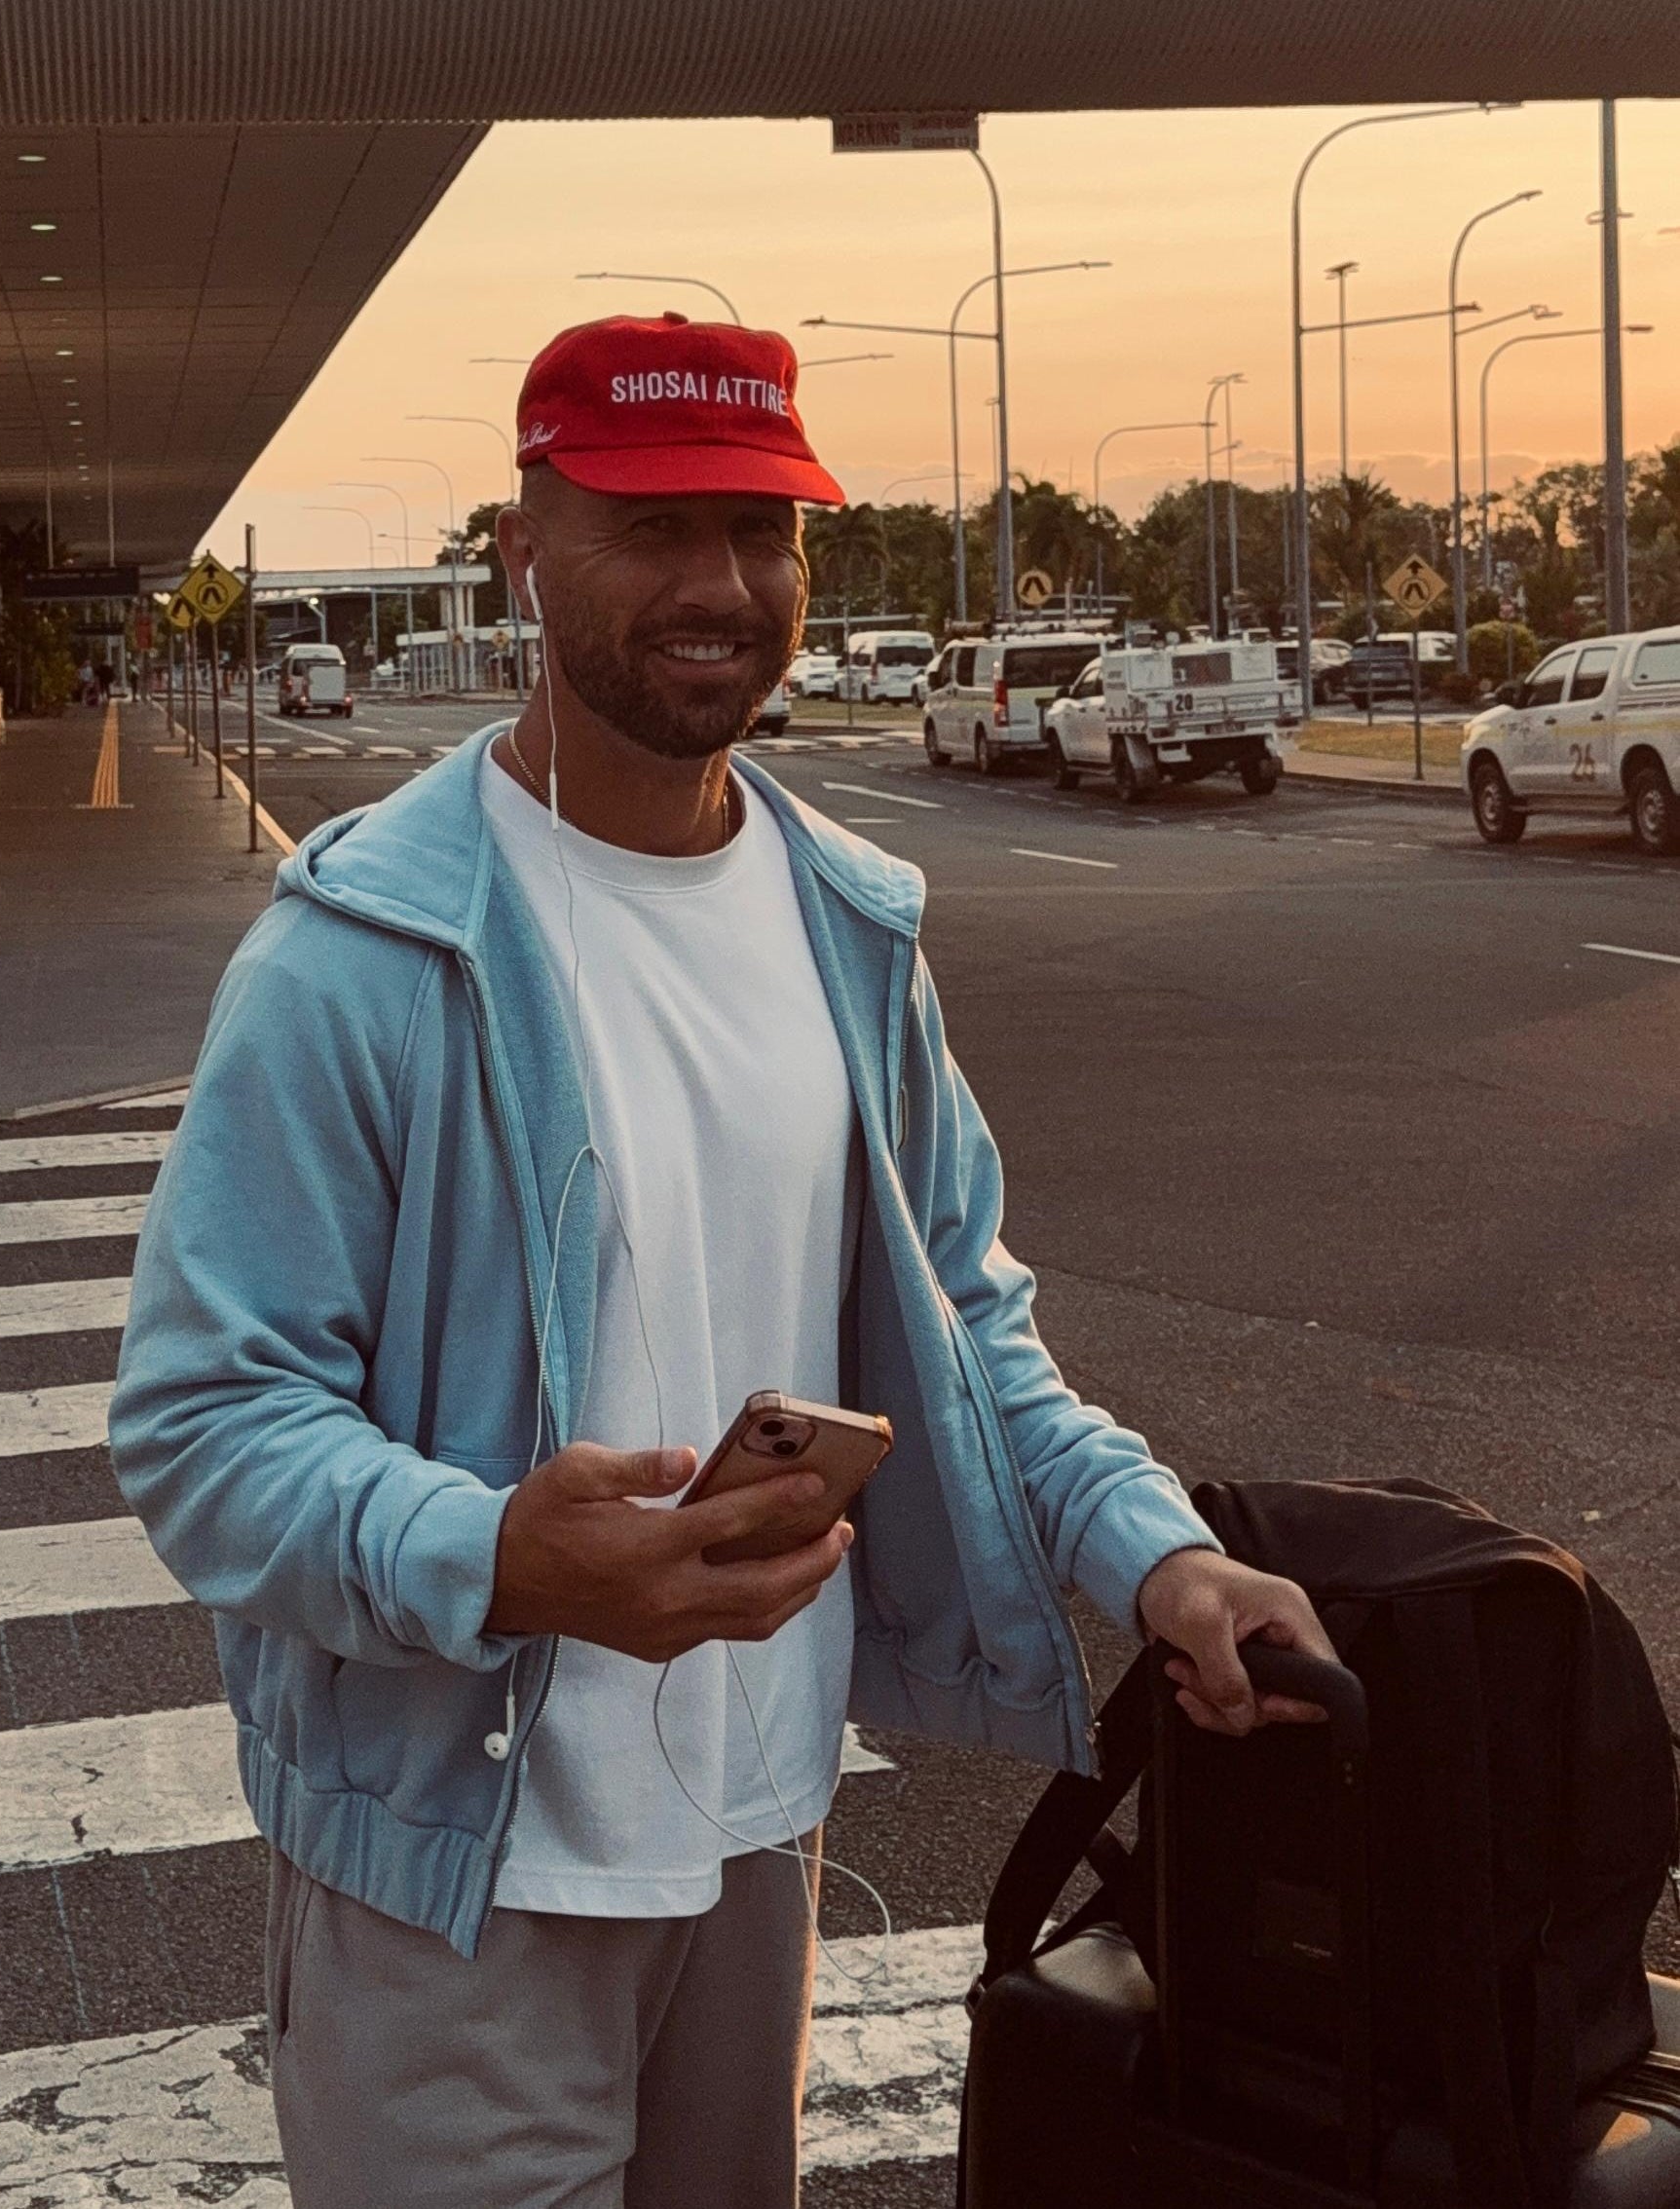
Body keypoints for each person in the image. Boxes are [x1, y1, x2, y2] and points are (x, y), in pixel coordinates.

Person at [111, 313, 1334, 2208]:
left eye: (764, 531)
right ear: (524, 551)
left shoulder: (849, 924)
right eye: (652, 527)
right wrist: (498, 1558)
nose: (720, 585)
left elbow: (967, 1329)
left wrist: (1159, 1557)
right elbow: (205, 1423)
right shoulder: (361, 952)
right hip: (460, 1875)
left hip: (758, 1834)